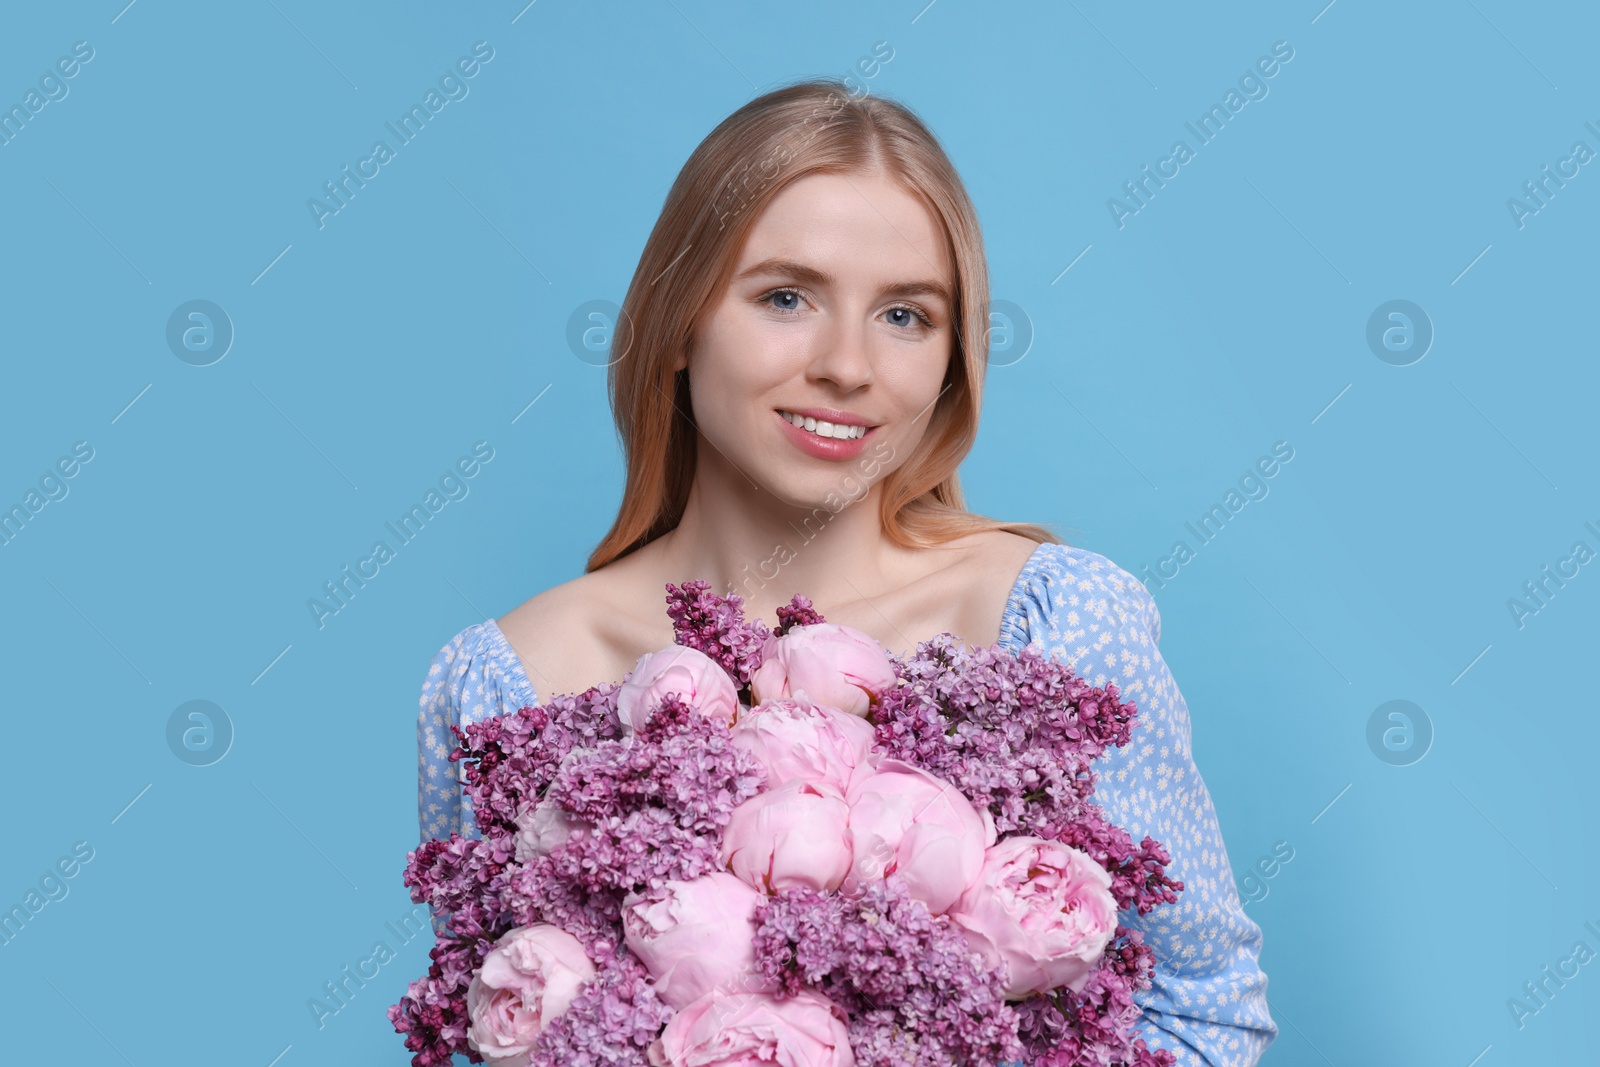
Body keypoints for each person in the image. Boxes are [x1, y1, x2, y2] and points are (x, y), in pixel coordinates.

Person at [416, 78, 1275, 1065]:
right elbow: (477, 1023)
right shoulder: (501, 680)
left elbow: (1201, 1007)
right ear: (680, 319)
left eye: (905, 315)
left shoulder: (1051, 622)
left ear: (953, 359)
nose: (847, 365)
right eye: (786, 296)